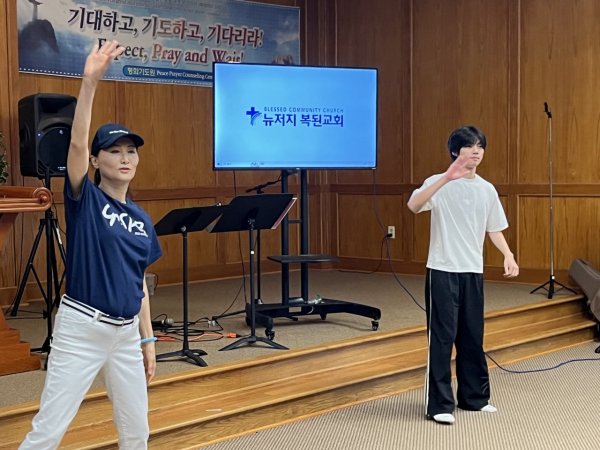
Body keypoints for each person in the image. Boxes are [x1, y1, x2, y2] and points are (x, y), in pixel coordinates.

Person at [20, 40, 162, 449]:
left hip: (125, 335)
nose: (125, 158)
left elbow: (138, 282)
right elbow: (78, 144)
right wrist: (90, 82)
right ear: (97, 161)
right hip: (82, 328)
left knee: (137, 433)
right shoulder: (86, 198)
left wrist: (147, 339)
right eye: (114, 151)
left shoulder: (141, 219)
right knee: (48, 431)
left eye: (131, 151)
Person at [407, 125, 519, 425]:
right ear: (455, 151)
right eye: (469, 146)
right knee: (442, 338)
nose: (476, 151)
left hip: (472, 271)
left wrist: (508, 255)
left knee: (472, 336)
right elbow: (414, 205)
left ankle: (475, 398)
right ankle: (439, 405)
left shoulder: (486, 189)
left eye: (480, 146)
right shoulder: (438, 182)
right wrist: (446, 177)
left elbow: (494, 228)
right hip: (442, 269)